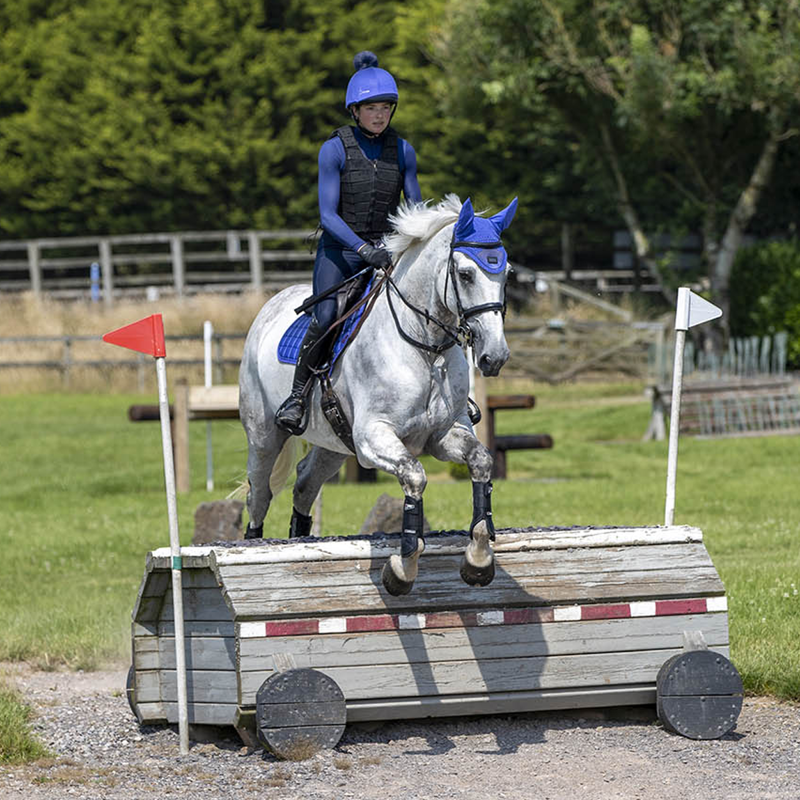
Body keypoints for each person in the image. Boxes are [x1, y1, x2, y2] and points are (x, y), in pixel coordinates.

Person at [275, 51, 423, 435]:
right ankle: (296, 397)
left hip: (385, 253)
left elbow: (415, 208)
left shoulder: (403, 150)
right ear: (355, 111)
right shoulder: (334, 149)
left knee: (425, 307)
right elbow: (328, 216)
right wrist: (363, 250)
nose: (379, 115)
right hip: (341, 253)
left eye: (385, 108)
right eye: (371, 108)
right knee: (326, 317)